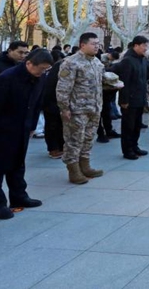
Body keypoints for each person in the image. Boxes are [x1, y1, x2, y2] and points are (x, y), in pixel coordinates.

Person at [0, 49, 53, 219]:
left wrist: (32, 125)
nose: (43, 72)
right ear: (29, 63)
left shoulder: (40, 78)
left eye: (46, 69)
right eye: (42, 68)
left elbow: (37, 103)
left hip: (21, 129)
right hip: (0, 131)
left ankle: (19, 197)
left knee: (17, 165)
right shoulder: (6, 79)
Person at [56, 32, 106, 184]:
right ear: (82, 45)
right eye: (93, 44)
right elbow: (63, 88)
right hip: (77, 110)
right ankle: (73, 170)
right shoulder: (71, 62)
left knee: (89, 138)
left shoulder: (96, 62)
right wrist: (64, 108)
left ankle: (85, 165)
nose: (97, 46)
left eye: (98, 44)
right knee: (74, 140)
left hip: (94, 108)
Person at [114, 36, 149, 160]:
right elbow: (125, 82)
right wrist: (124, 100)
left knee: (137, 125)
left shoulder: (142, 60)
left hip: (140, 98)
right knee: (128, 126)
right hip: (130, 100)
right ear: (136, 45)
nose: (146, 48)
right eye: (144, 45)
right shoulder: (128, 60)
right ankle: (127, 150)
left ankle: (135, 146)